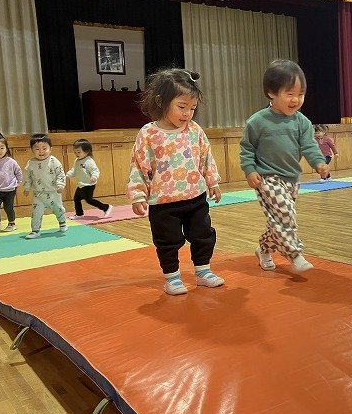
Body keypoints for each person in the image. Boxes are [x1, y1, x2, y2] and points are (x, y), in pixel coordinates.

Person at [128, 68, 223, 296]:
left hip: (196, 197)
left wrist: (213, 181)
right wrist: (138, 194)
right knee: (167, 242)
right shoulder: (149, 134)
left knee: (203, 235)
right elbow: (139, 165)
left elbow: (206, 158)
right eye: (182, 107)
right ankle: (172, 277)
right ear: (161, 101)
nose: (188, 113)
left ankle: (203, 272)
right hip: (163, 203)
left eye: (192, 108)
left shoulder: (195, 130)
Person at [240, 59, 329, 274]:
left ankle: (263, 249)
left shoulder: (302, 122)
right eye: (290, 94)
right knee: (286, 215)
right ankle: (295, 255)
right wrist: (250, 170)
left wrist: (319, 162)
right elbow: (247, 149)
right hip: (267, 178)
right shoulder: (257, 122)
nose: (296, 100)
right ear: (271, 92)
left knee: (279, 220)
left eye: (300, 94)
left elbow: (309, 145)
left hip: (292, 179)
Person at [23, 133, 67, 239]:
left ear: (50, 149)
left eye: (44, 148)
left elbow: (60, 174)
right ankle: (35, 230)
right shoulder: (31, 163)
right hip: (38, 194)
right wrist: (27, 188)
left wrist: (60, 185)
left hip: (53, 193)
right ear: (32, 150)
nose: (41, 151)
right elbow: (28, 176)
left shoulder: (54, 161)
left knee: (58, 209)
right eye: (37, 149)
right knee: (36, 212)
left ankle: (62, 223)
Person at [66, 139, 114, 219]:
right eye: (75, 152)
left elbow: (95, 170)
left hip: (89, 185)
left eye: (78, 152)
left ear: (87, 151)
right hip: (81, 184)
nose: (76, 154)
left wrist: (94, 177)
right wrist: (67, 175)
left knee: (89, 200)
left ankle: (106, 207)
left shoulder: (89, 161)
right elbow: (74, 170)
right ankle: (79, 214)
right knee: (76, 199)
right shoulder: (77, 161)